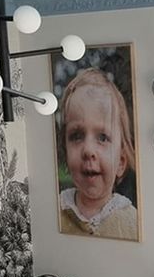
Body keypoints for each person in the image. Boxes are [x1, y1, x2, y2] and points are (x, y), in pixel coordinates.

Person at [58, 67, 138, 240]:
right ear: (65, 152)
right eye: (76, 136)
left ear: (121, 163)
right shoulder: (56, 211)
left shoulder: (133, 223)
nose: (88, 150)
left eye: (102, 137)